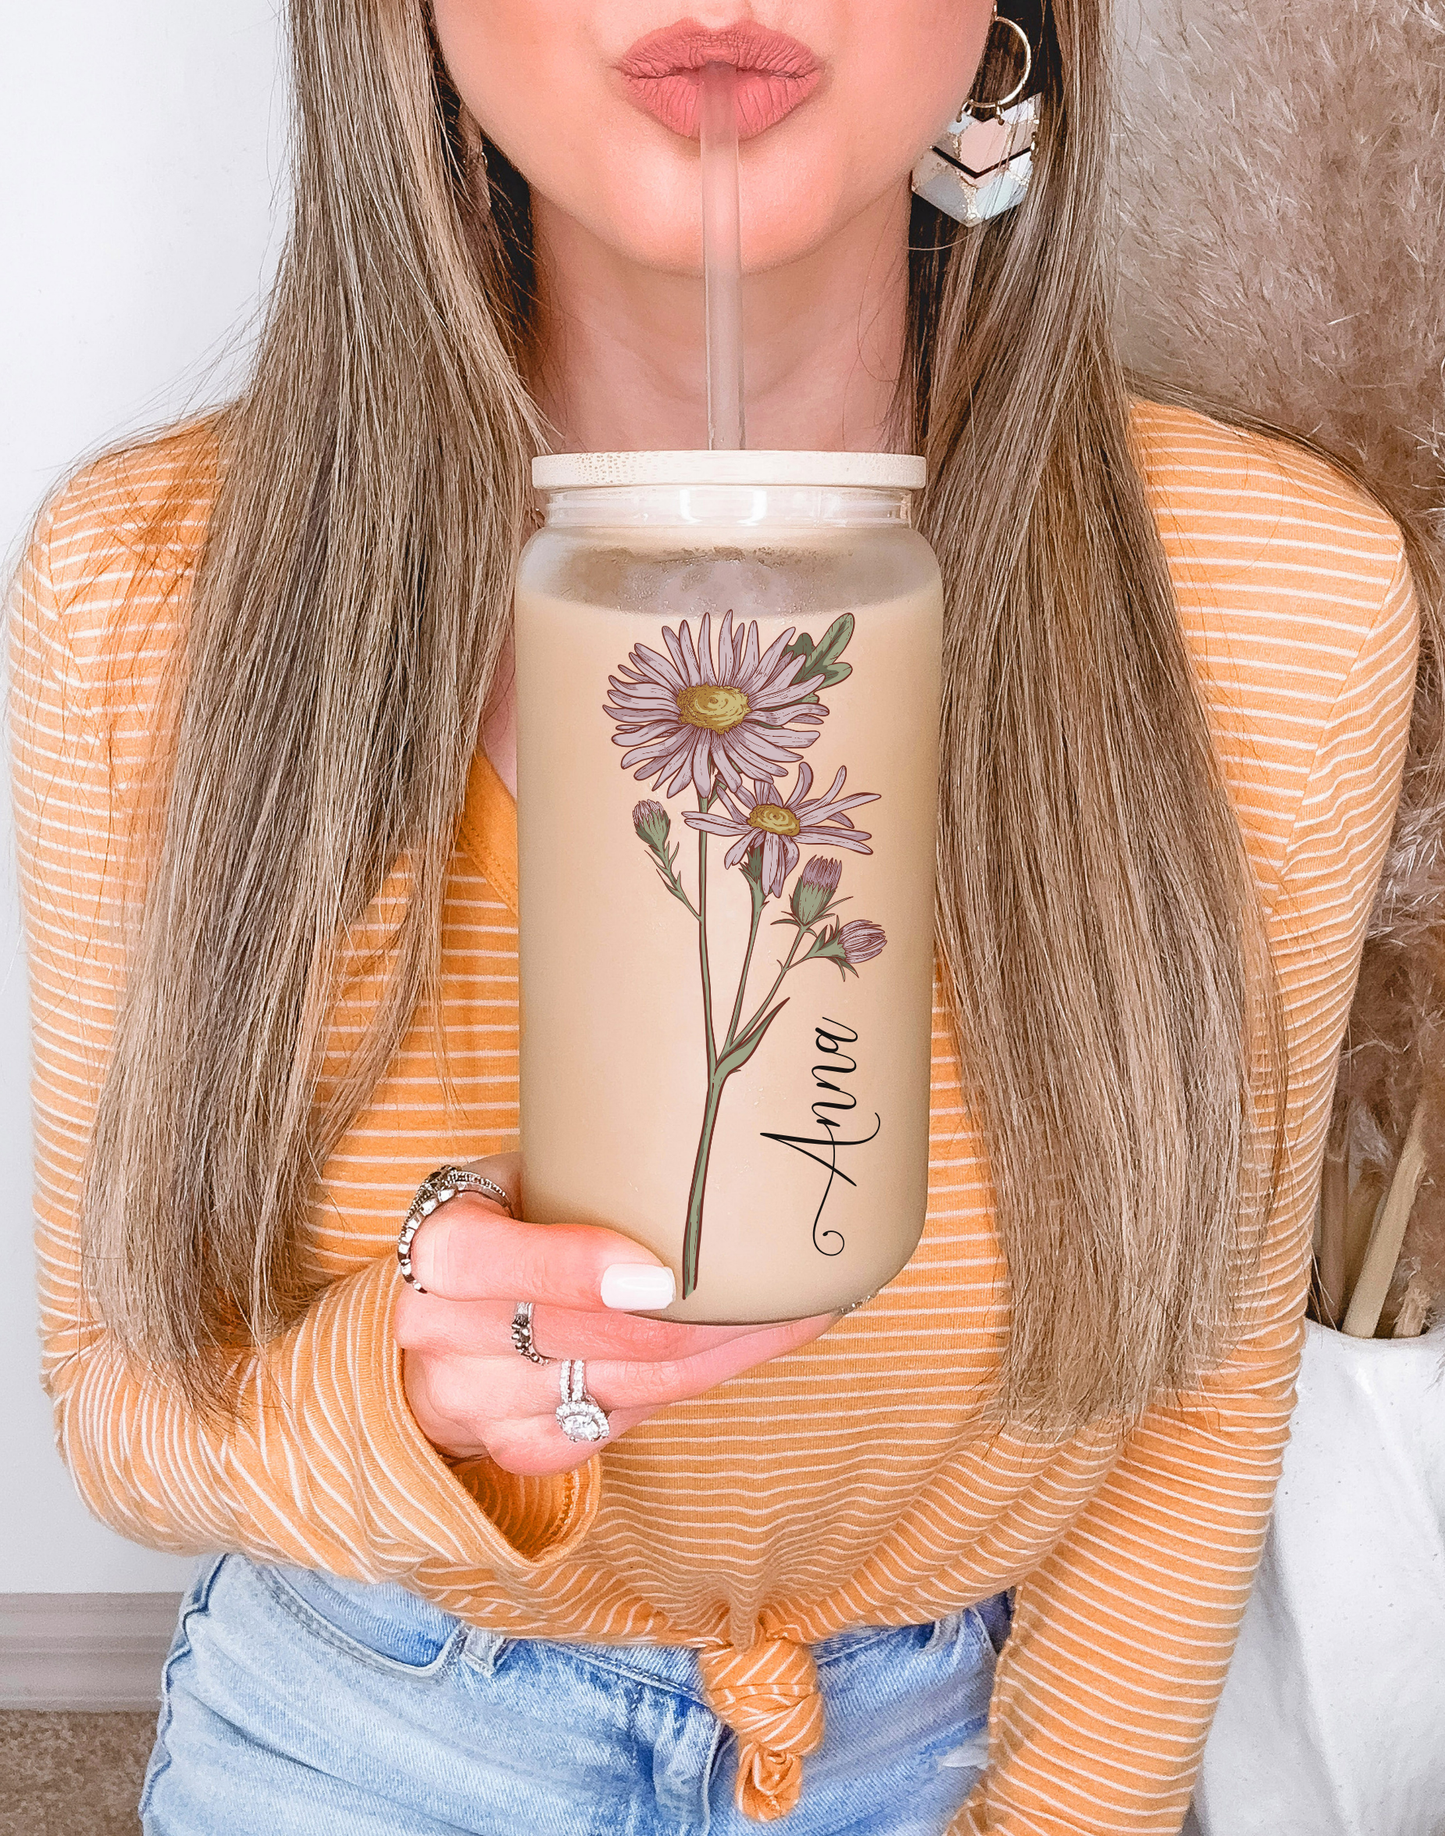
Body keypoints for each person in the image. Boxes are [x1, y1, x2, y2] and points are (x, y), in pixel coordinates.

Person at [8, 3, 1430, 1832]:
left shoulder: (1274, 597)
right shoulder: (145, 595)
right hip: (365, 1733)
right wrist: (402, 1396)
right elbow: (119, 1403)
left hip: (950, 1749)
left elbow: (1203, 1389)